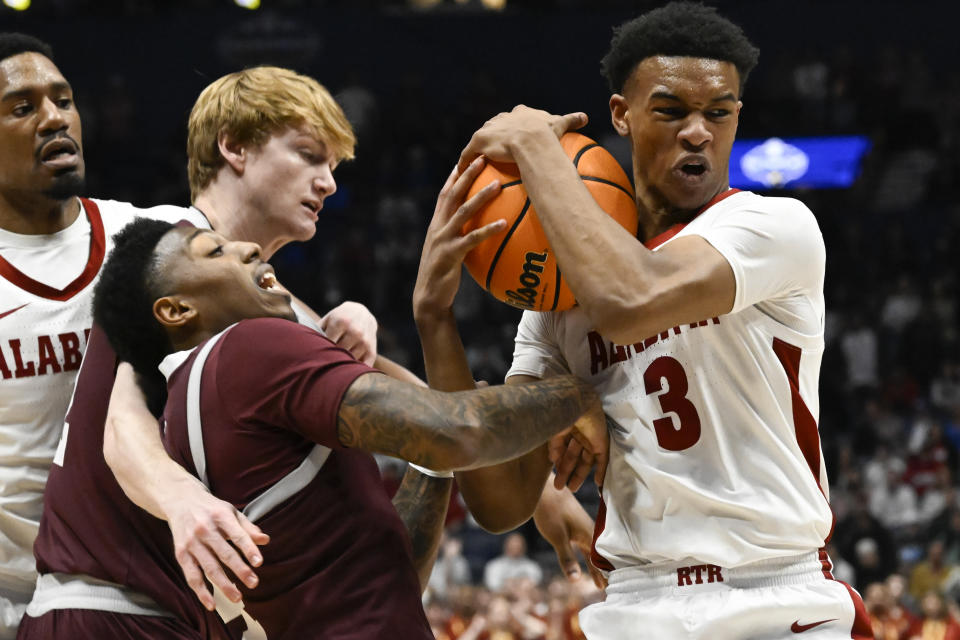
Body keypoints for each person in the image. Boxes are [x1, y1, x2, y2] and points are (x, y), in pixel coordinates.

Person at [418, 2, 873, 637]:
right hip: (634, 601)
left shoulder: (772, 228)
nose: (698, 132)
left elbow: (629, 301)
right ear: (620, 116)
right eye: (671, 111)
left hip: (774, 593)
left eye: (720, 112)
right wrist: (436, 320)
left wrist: (533, 146)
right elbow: (498, 503)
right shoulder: (558, 296)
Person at [0, 40, 381, 638]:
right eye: (21, 107)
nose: (53, 116)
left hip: (113, 581)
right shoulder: (165, 249)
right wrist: (181, 499)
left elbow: (284, 310)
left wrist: (353, 319)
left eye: (64, 100)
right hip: (41, 588)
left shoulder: (145, 237)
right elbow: (122, 424)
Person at [89, 217, 607, 638]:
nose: (246, 248)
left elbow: (385, 576)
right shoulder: (249, 348)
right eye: (214, 252)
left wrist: (430, 464)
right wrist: (586, 392)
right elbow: (458, 430)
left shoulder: (181, 418)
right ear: (176, 310)